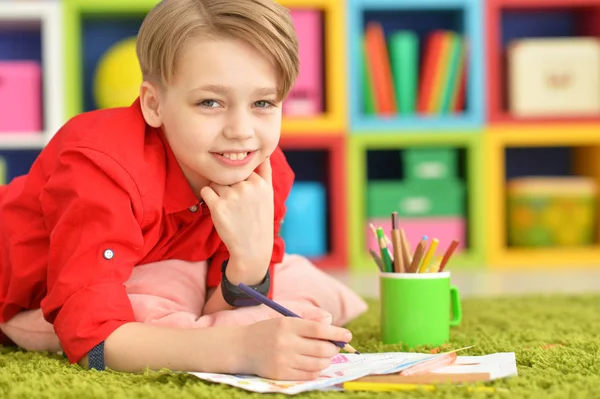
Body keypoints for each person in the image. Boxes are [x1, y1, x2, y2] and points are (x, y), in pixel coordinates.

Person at [0, 0, 367, 381]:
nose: (241, 130)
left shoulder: (265, 171)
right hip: (17, 287)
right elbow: (92, 343)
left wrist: (250, 261)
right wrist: (242, 349)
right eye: (210, 102)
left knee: (299, 279)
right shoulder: (101, 167)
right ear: (153, 104)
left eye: (262, 102)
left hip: (149, 263)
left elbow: (222, 307)